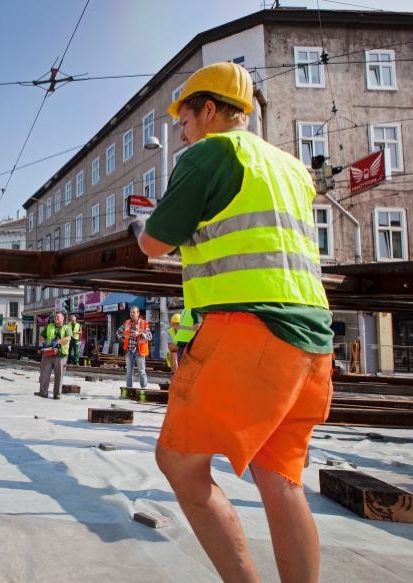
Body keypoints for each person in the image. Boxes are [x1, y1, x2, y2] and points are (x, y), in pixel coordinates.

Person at [129, 61, 333, 582]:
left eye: (186, 118)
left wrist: (139, 228)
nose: (181, 129)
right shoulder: (291, 170)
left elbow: (155, 244)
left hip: (250, 332)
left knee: (179, 463)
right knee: (281, 481)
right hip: (313, 342)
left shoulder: (210, 154)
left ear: (212, 109)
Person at [36, 310, 72, 400]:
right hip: (48, 354)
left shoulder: (66, 328)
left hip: (60, 355)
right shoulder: (49, 326)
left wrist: (58, 341)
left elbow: (68, 338)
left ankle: (57, 394)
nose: (56, 318)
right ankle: (43, 392)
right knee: (44, 373)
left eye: (58, 317)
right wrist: (43, 342)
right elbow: (41, 335)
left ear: (63, 318)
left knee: (59, 375)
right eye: (55, 317)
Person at [118, 306, 151, 389]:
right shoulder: (127, 323)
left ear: (138, 313)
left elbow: (150, 336)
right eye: (131, 312)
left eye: (134, 312)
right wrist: (122, 338)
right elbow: (118, 332)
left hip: (139, 351)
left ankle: (144, 389)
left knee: (141, 371)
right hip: (129, 350)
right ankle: (129, 389)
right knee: (129, 372)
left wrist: (139, 334)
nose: (132, 314)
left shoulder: (144, 323)